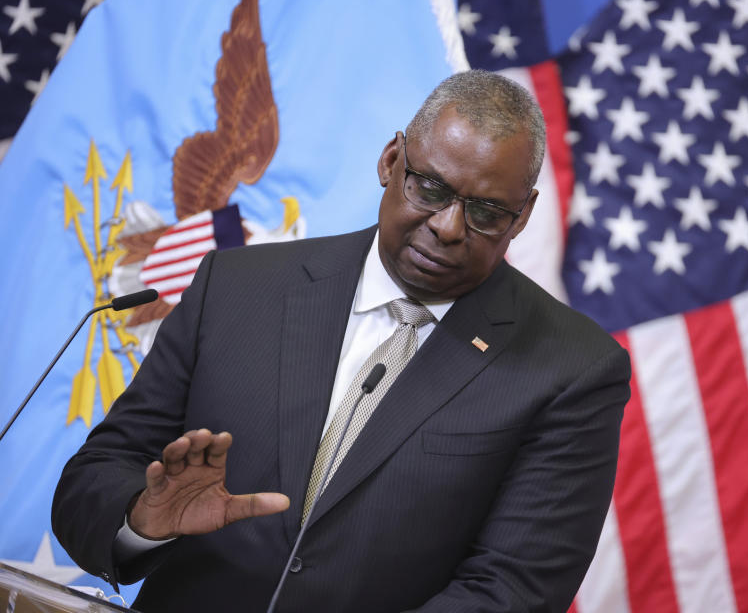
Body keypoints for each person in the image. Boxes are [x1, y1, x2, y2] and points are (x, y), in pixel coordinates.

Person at [52, 70, 631, 612]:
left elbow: (512, 590)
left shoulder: (572, 368)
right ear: (390, 159)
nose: (449, 227)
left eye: (485, 212)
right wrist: (143, 521)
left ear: (523, 214)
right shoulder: (235, 288)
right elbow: (96, 475)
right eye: (429, 188)